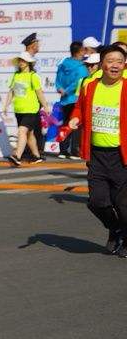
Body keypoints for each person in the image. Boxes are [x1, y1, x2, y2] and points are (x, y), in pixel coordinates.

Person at [67, 45, 127, 255]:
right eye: (110, 61)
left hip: (122, 156)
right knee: (97, 202)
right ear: (102, 64)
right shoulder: (90, 86)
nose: (115, 65)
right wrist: (75, 118)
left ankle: (123, 237)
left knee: (123, 204)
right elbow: (80, 108)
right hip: (97, 154)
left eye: (120, 61)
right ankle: (116, 228)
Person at [5, 52, 48, 166]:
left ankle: (17, 156)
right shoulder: (16, 75)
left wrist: (46, 106)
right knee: (30, 134)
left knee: (22, 131)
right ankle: (36, 156)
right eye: (20, 60)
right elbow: (11, 92)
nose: (21, 63)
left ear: (29, 62)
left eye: (23, 60)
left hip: (31, 109)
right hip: (19, 110)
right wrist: (6, 105)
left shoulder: (33, 76)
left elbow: (39, 93)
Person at [55, 41, 87, 159]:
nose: (84, 53)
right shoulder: (82, 68)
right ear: (80, 51)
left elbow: (58, 80)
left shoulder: (63, 64)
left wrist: (61, 89)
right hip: (76, 99)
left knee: (65, 123)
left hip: (64, 100)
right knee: (76, 124)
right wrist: (68, 90)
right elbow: (79, 82)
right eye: (83, 50)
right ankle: (74, 151)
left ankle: (63, 150)